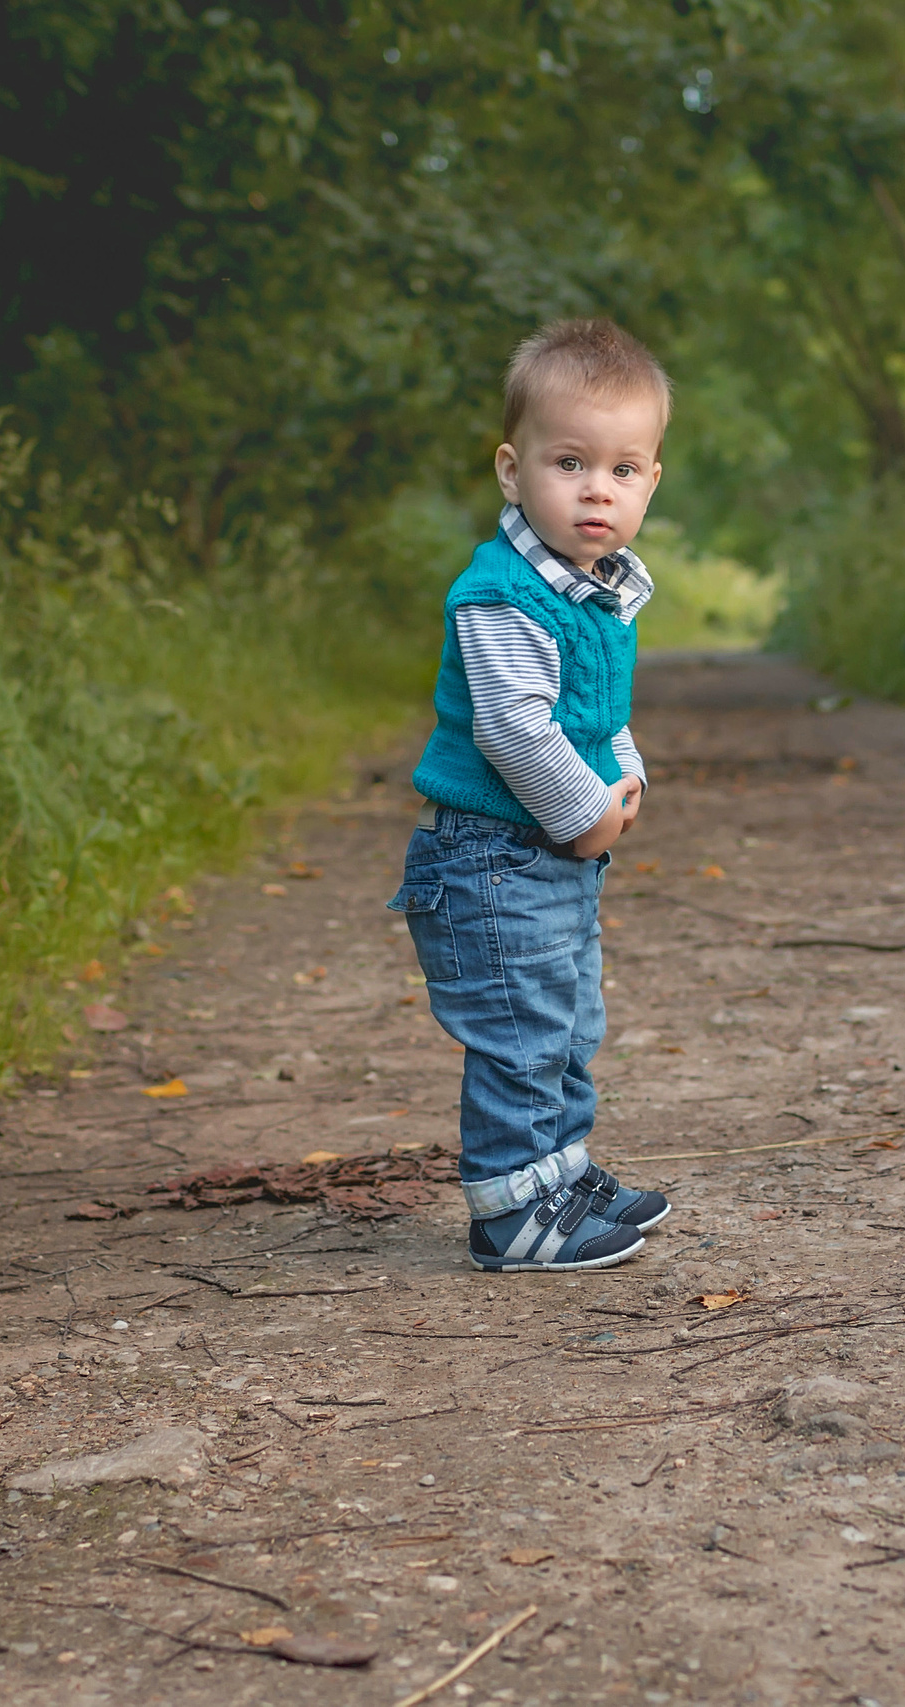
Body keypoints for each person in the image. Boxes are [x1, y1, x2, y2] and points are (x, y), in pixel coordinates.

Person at [391, 318, 676, 1272]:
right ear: (513, 471)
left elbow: (592, 711)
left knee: (565, 1017)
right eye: (570, 462)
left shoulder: (600, 589)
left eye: (624, 469)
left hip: (545, 857)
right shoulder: (501, 594)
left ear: (650, 482)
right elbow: (517, 727)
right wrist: (588, 812)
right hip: (490, 857)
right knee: (517, 1030)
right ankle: (510, 1214)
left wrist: (624, 768)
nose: (598, 487)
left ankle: (561, 1172)